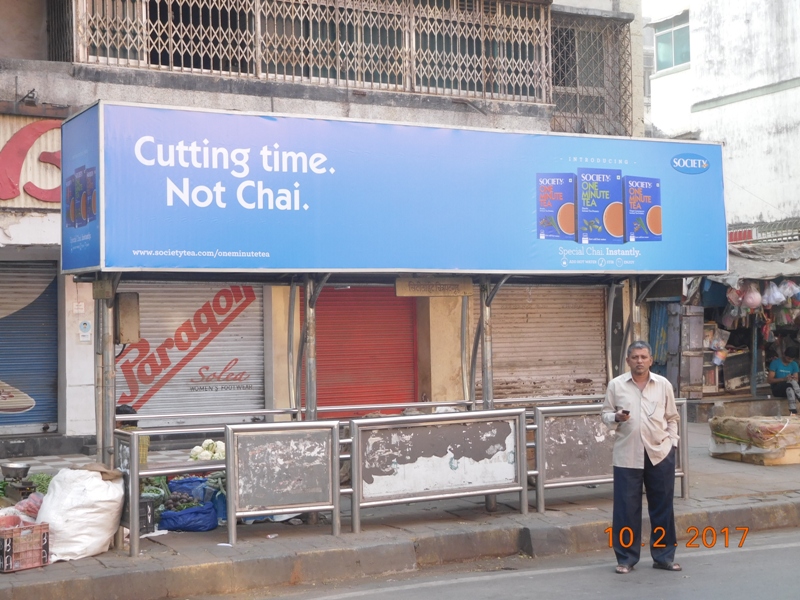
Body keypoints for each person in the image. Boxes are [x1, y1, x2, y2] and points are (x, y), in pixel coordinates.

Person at [601, 340, 681, 575]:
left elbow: (672, 417)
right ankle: (626, 558)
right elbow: (604, 413)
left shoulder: (663, 384)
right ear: (628, 361)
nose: (639, 361)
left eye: (643, 357)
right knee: (626, 509)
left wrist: (672, 445)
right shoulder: (616, 385)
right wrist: (615, 417)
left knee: (662, 507)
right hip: (627, 455)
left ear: (650, 360)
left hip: (660, 453)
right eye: (635, 357)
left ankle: (664, 556)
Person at [767, 346, 800, 416]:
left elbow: (796, 379)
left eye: (791, 359)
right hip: (777, 389)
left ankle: (793, 411)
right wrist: (784, 379)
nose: (789, 360)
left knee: (790, 388)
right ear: (784, 355)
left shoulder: (794, 364)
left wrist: (792, 378)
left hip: (791, 387)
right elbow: (769, 380)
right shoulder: (775, 363)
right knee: (790, 384)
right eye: (788, 358)